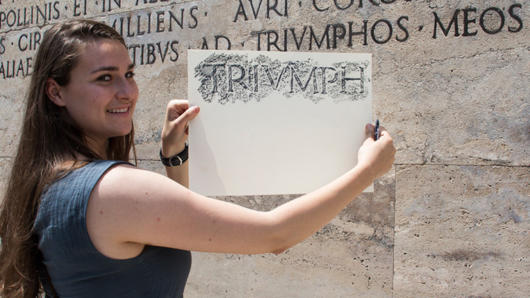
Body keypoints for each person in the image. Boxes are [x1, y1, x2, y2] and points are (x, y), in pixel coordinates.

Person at [0, 19, 395, 297]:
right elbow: (274, 235)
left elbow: (158, 235)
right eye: (105, 78)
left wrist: (174, 158)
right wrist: (368, 171)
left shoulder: (51, 179)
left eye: (129, 73)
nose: (127, 91)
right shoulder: (113, 189)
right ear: (56, 92)